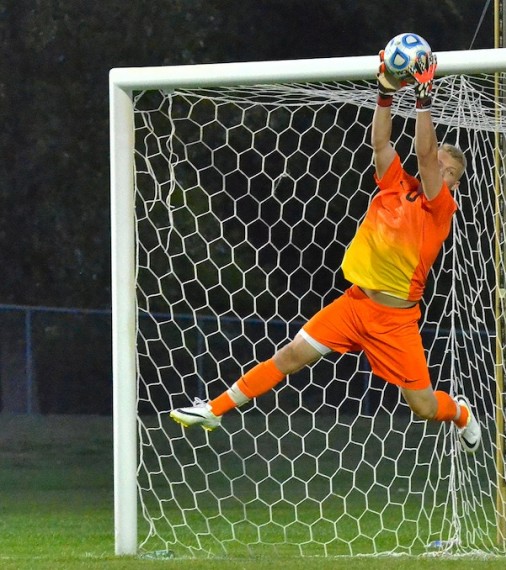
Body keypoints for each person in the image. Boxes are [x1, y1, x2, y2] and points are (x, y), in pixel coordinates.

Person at [170, 47, 481, 453]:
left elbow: (425, 155)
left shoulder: (439, 207)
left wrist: (424, 97)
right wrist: (385, 94)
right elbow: (380, 142)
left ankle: (460, 413)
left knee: (423, 407)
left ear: (454, 184)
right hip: (354, 305)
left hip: (395, 322)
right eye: (441, 164)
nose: (440, 171)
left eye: (449, 172)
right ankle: (215, 408)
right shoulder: (395, 184)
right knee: (291, 356)